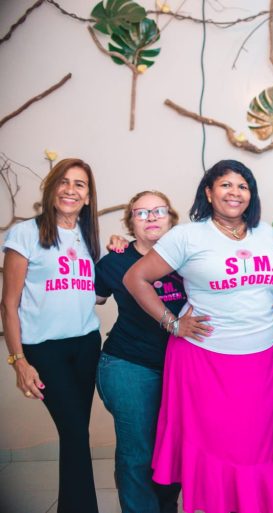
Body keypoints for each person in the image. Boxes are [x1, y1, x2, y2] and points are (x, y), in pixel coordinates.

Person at [123, 160, 273, 513]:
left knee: (256, 445)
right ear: (208, 192)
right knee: (221, 447)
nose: (235, 193)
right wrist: (172, 323)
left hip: (262, 361)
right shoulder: (187, 236)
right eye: (226, 185)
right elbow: (135, 278)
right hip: (205, 361)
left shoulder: (267, 235)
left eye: (243, 186)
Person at [1, 158, 101, 513]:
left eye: (79, 184)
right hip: (44, 350)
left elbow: (95, 293)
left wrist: (120, 249)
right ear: (51, 188)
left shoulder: (89, 236)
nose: (70, 190)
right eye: (64, 181)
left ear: (88, 196)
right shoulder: (25, 234)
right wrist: (19, 361)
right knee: (74, 432)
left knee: (76, 434)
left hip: (86, 345)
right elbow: (8, 304)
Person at [95, 191, 184, 513]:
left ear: (171, 218)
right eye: (141, 213)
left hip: (180, 367)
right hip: (128, 365)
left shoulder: (189, 258)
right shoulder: (114, 262)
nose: (151, 218)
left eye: (159, 211)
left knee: (172, 449)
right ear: (130, 222)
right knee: (138, 453)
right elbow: (86, 302)